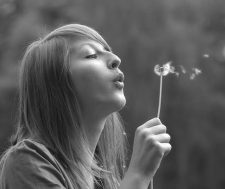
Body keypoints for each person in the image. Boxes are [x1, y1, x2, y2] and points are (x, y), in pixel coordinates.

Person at [0, 24, 172, 189]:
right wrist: (138, 175)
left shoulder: (104, 180)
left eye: (108, 52)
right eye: (91, 55)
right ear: (57, 84)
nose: (116, 60)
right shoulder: (27, 162)